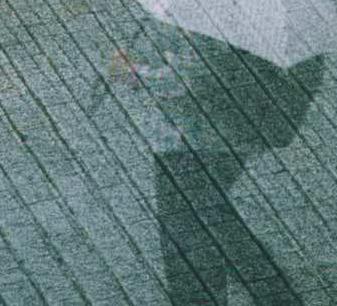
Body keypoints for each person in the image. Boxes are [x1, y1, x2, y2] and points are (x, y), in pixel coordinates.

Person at [110, 23, 321, 306]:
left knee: (187, 231)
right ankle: (272, 292)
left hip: (197, 137)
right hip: (224, 132)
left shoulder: (205, 17)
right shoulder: (225, 7)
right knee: (205, 219)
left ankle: (272, 293)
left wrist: (133, 73)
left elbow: (185, 79)